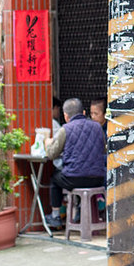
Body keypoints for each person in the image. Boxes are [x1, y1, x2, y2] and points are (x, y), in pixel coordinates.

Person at [43, 97, 106, 228]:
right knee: (78, 171)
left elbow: (52, 154)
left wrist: (47, 143)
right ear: (83, 112)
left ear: (66, 116)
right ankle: (79, 210)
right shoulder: (97, 127)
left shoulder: (65, 129)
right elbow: (103, 148)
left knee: (55, 178)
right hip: (99, 178)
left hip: (74, 180)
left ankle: (55, 216)